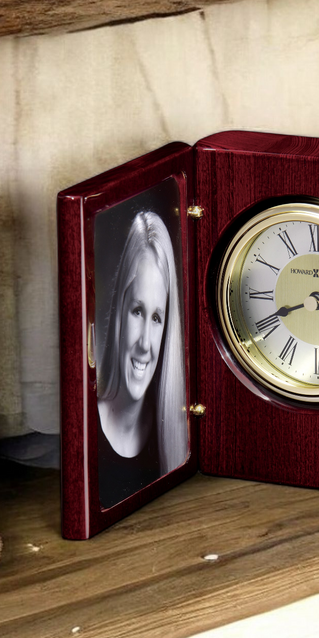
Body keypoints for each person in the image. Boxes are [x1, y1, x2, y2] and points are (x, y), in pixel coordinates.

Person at [96, 210, 187, 507]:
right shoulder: (86, 430)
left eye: (157, 318)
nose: (145, 343)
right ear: (120, 309)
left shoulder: (175, 437)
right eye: (137, 311)